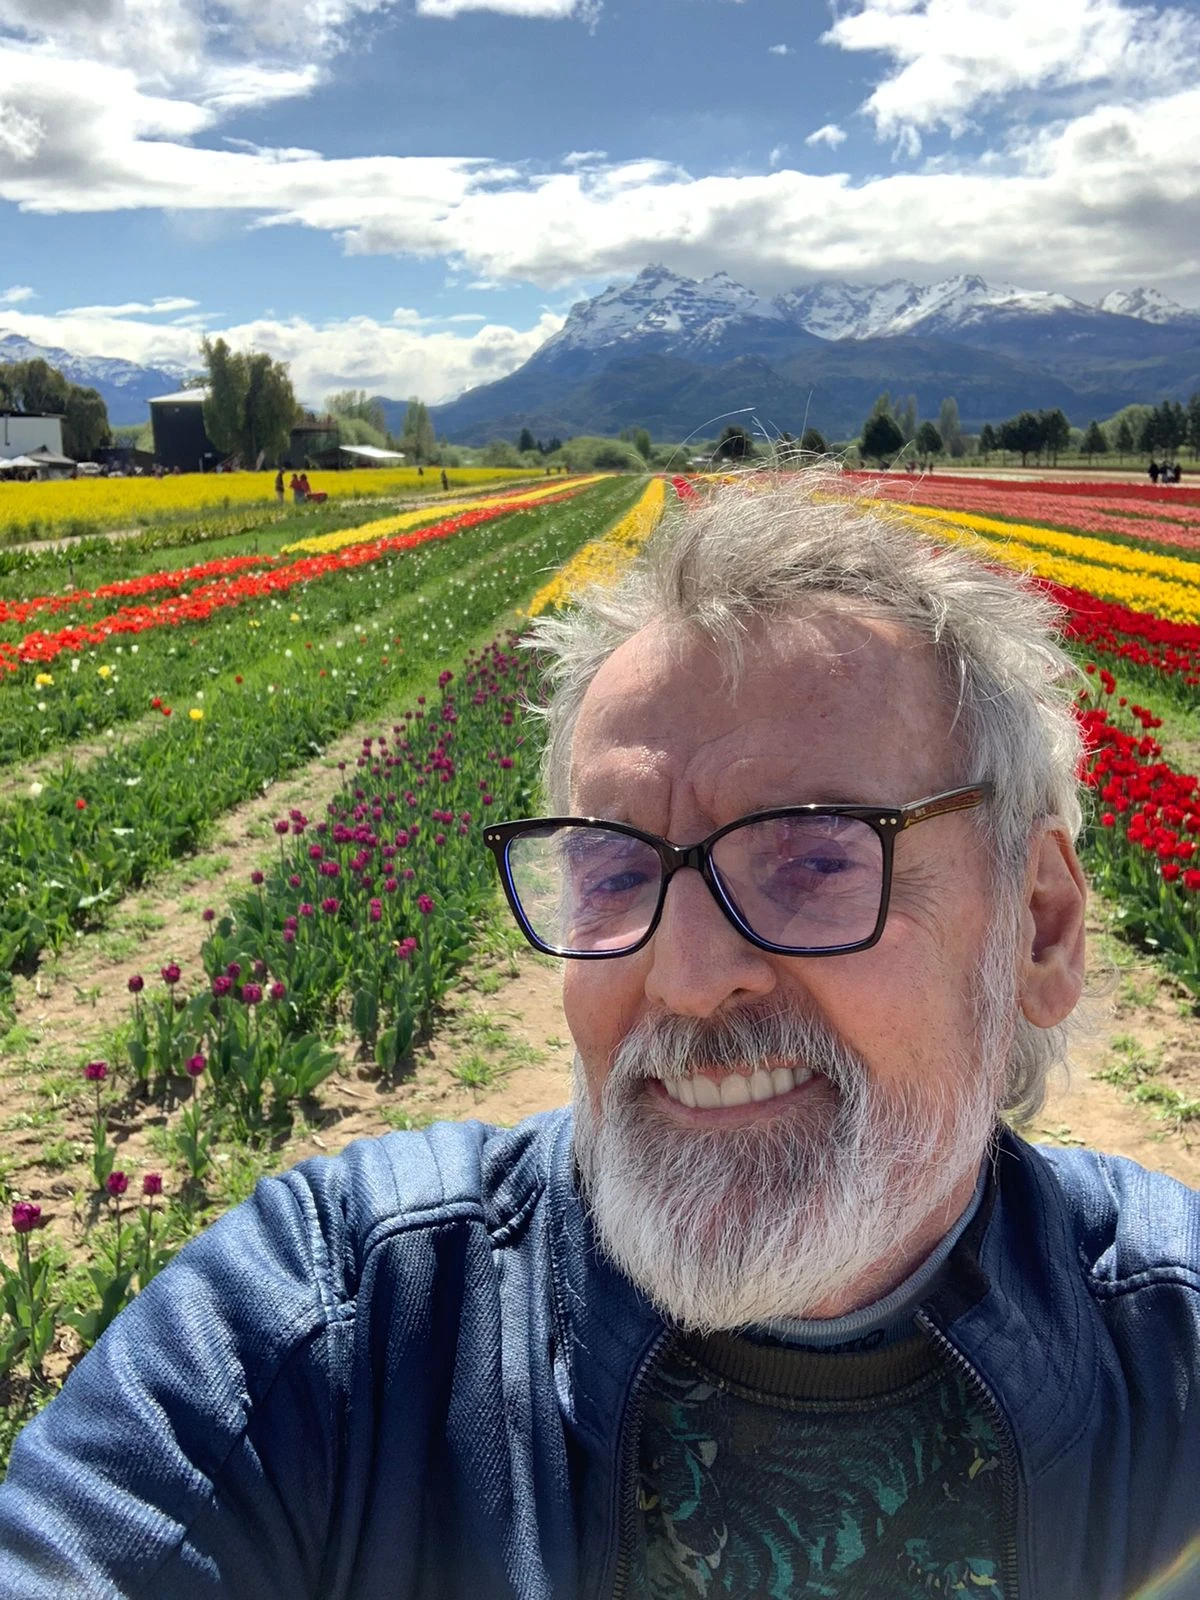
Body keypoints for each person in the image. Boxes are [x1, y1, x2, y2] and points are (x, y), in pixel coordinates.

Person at [0, 477, 1197, 1599]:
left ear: (1040, 927)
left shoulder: (1173, 1364)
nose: (681, 976)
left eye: (817, 856)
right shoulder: (337, 1334)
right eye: (616, 869)